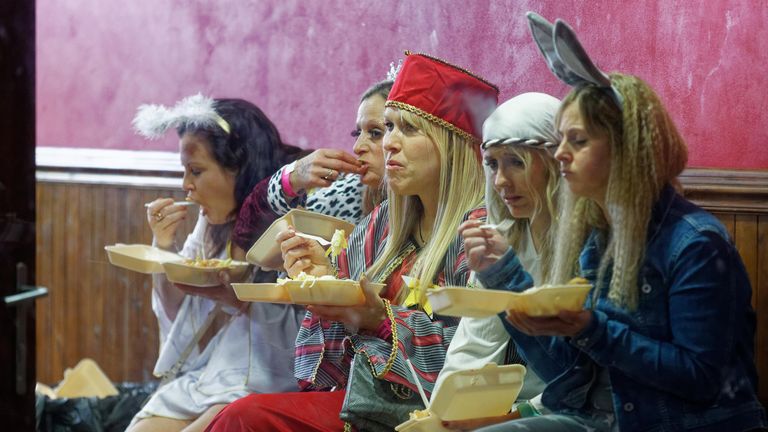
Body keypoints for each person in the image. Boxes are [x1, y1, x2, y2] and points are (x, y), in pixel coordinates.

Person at [473, 14, 767, 432]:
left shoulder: (696, 244)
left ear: (627, 148)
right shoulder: (599, 241)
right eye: (560, 141)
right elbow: (569, 377)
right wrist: (506, 280)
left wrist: (592, 329)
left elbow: (702, 379)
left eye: (577, 141)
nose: (560, 155)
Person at [206, 51, 499, 431]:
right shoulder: (382, 226)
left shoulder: (479, 233)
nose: (389, 144)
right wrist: (324, 279)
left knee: (246, 417)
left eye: (407, 129)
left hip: (426, 418)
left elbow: (476, 362)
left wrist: (379, 318)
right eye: (388, 128)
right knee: (239, 414)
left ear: (453, 145)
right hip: (363, 404)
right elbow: (329, 373)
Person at [127, 95, 307, 432]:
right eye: (184, 171)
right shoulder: (212, 221)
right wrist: (163, 245)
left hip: (275, 374)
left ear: (239, 168)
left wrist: (238, 298)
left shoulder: (292, 215)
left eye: (196, 171)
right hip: (219, 370)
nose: (186, 186)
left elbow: (313, 320)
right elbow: (178, 312)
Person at [433, 92, 562, 430]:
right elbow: (475, 344)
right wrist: (439, 415)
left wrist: (510, 418)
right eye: (492, 164)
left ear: (555, 162)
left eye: (516, 162)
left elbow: (589, 377)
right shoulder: (500, 241)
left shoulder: (590, 245)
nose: (501, 181)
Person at [231, 80, 393, 254]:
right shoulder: (346, 193)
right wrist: (291, 178)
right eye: (357, 133)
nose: (357, 147)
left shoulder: (422, 216)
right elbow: (246, 235)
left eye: (375, 133)